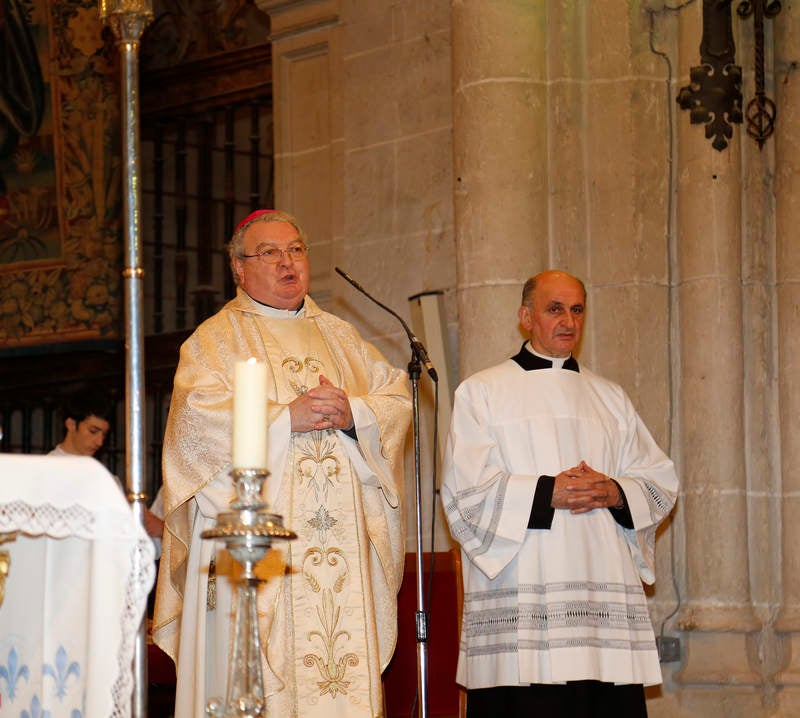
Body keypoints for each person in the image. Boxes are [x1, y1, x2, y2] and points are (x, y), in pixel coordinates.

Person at [152, 209, 412, 718]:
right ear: (239, 270)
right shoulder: (212, 342)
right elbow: (192, 433)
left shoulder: (342, 338)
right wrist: (280, 419)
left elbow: (395, 399)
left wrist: (355, 413)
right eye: (269, 252)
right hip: (255, 550)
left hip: (339, 554)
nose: (287, 262)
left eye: (295, 249)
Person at [442, 270, 679, 718]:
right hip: (525, 599)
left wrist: (614, 491)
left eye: (576, 310)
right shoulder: (482, 391)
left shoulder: (610, 397)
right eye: (555, 309)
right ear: (526, 317)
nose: (568, 320)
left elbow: (660, 481)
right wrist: (548, 492)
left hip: (602, 601)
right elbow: (465, 492)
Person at [50, 392, 165, 540]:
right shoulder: (48, 468)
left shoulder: (104, 475)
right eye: (93, 431)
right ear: (71, 424)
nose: (100, 442)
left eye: (104, 434)